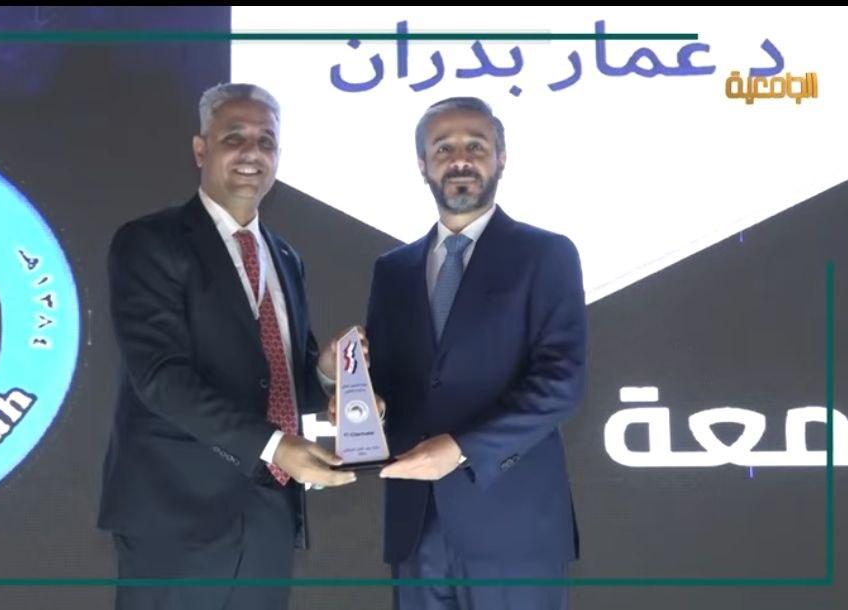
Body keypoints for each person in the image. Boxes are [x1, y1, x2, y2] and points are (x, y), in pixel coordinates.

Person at [98, 82, 357, 610]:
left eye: (266, 141)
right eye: (233, 137)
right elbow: (161, 378)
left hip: (268, 515)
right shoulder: (149, 242)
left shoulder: (285, 256)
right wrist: (275, 446)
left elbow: (281, 380)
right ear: (201, 150)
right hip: (176, 516)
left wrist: (327, 373)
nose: (251, 152)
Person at [371, 96, 588, 610]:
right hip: (416, 529)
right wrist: (354, 395)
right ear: (422, 164)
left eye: (476, 145)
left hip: (513, 530)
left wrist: (461, 447)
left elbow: (561, 383)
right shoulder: (393, 270)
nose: (460, 159)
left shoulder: (547, 254)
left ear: (501, 158)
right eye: (443, 148)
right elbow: (387, 384)